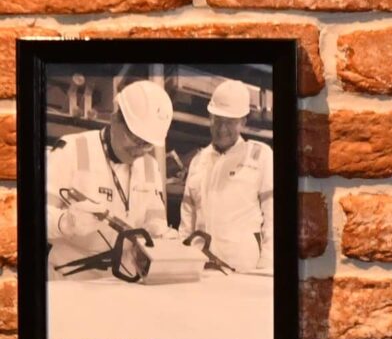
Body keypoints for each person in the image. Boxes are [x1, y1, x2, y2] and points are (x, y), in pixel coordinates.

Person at [46, 79, 173, 272]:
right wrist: (66, 222)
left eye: (147, 144)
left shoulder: (150, 166)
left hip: (126, 276)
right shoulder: (72, 148)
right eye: (135, 139)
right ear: (115, 119)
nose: (140, 150)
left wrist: (158, 232)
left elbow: (155, 217)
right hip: (73, 276)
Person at [179, 78, 274, 274]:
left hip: (244, 267)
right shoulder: (198, 161)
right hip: (201, 266)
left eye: (230, 122)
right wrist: (182, 262)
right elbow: (187, 222)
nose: (222, 129)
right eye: (217, 120)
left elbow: (273, 215)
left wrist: (266, 264)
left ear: (243, 122)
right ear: (210, 117)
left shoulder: (260, 156)